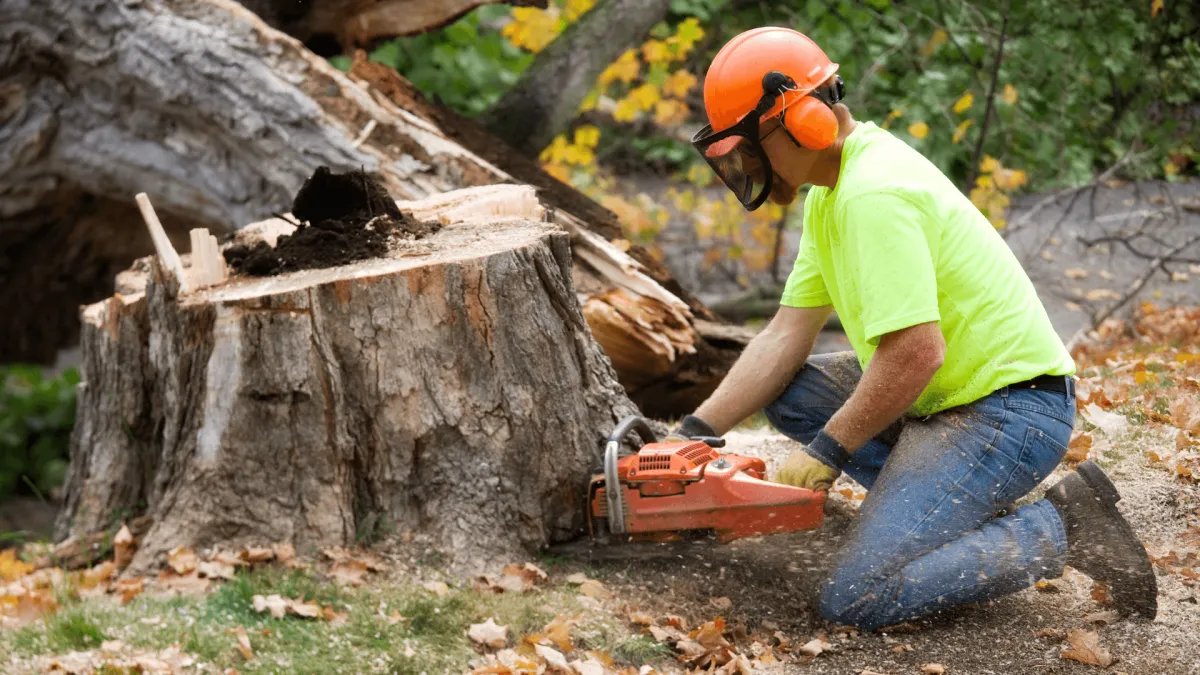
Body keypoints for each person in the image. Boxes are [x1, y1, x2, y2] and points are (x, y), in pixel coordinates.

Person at [675, 26, 1158, 629]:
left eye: (749, 145)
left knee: (852, 599)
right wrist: (692, 434)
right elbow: (783, 334)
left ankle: (1063, 527)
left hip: (1008, 412)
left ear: (803, 122)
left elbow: (916, 353)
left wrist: (829, 449)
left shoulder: (870, 195)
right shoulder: (831, 191)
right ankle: (942, 515)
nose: (743, 164)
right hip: (949, 398)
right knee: (791, 389)